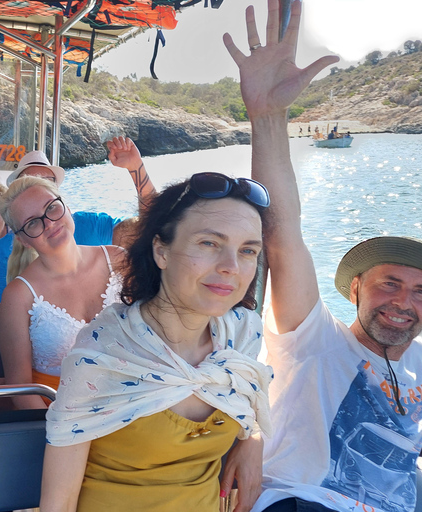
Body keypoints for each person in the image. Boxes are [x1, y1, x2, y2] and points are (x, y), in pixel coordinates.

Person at [224, 2, 422, 511]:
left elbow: (396, 427)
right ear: (356, 287)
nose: (402, 302)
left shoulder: (415, 360)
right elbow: (282, 237)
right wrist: (267, 117)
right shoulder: (314, 342)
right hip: (306, 502)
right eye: (389, 283)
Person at [40, 174, 274, 512]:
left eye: (248, 250)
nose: (231, 267)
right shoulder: (102, 354)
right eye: (209, 243)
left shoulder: (241, 336)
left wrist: (251, 440)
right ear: (161, 251)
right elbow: (58, 503)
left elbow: (248, 399)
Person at [0, 177, 125, 409]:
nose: (49, 223)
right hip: (59, 413)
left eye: (52, 207)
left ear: (67, 206)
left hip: (135, 401)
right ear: (23, 240)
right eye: (32, 223)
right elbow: (21, 390)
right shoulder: (18, 296)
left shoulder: (119, 260)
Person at [0, 138, 157, 303]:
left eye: (46, 181)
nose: (37, 189)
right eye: (30, 182)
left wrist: (136, 168)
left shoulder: (92, 225)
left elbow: (151, 227)